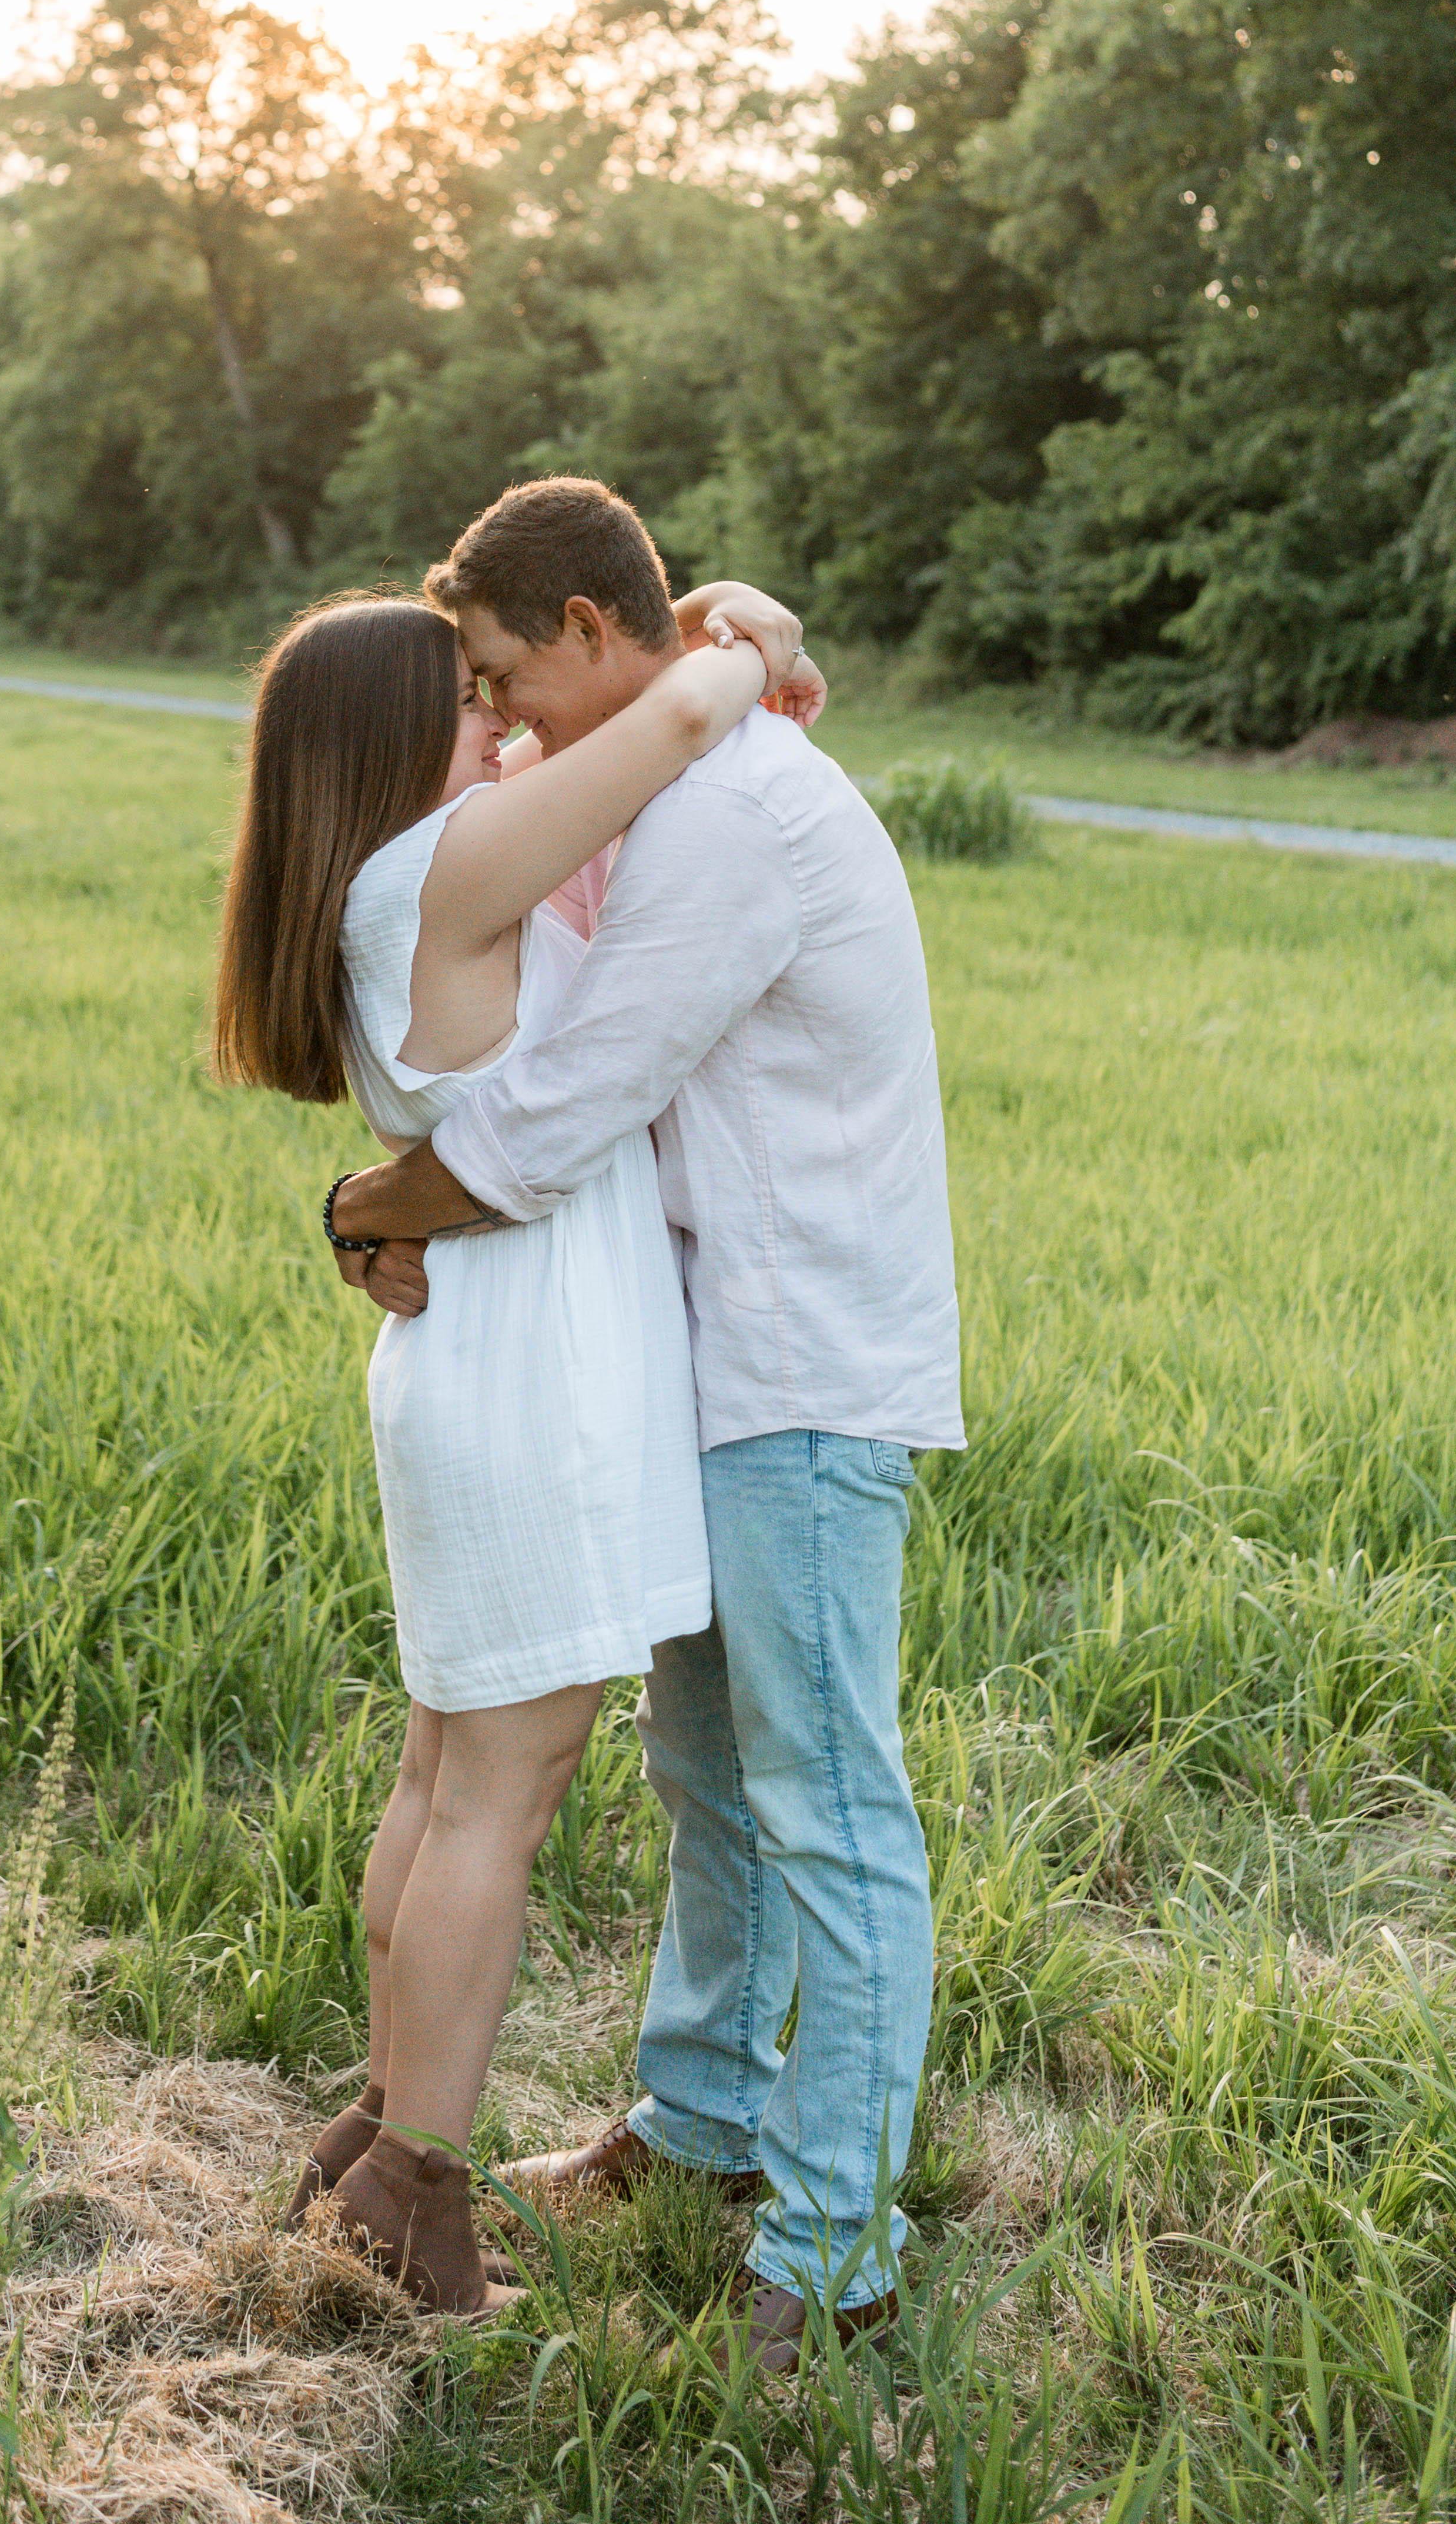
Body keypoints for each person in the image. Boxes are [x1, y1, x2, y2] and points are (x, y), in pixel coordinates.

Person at [330, 477, 963, 2377]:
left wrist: (376, 1203)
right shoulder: (652, 784)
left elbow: (567, 1106)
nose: (501, 719)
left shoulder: (734, 817)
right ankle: (697, 2124)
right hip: (692, 1365)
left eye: (509, 675)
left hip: (800, 1373)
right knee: (707, 1779)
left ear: (596, 635)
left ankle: (836, 2247)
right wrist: (744, 640)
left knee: (828, 1807)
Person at [207, 571, 818, 2315]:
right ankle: (417, 2195)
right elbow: (676, 716)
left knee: (441, 1780)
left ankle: (379, 2129)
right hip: (535, 1383)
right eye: (467, 700)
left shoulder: (383, 886)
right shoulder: (442, 868)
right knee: (501, 1796)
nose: (500, 720)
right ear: (394, 741)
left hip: (473, 1364)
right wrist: (745, 645)